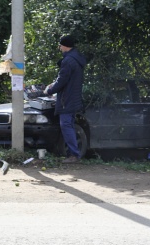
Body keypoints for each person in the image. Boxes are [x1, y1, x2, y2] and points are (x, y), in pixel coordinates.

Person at [44, 35, 87, 163]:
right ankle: (73, 153)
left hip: (66, 100)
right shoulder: (76, 58)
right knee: (70, 125)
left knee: (66, 125)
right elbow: (66, 78)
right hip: (74, 98)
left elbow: (62, 80)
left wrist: (50, 90)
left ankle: (73, 155)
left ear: (65, 46)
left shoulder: (68, 61)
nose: (59, 47)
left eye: (60, 45)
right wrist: (54, 83)